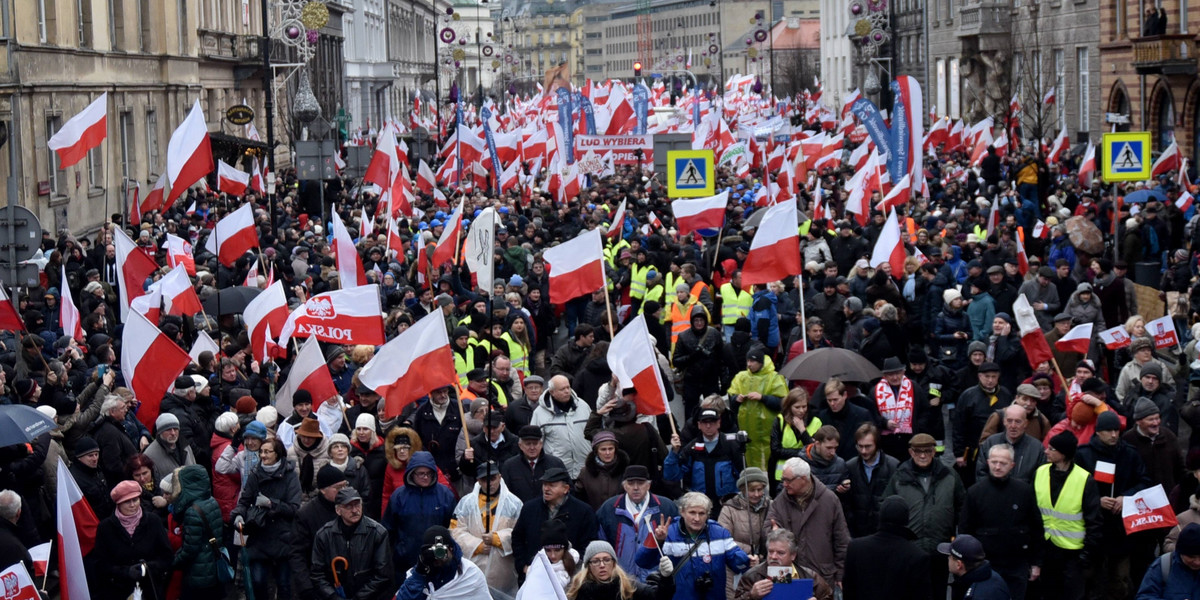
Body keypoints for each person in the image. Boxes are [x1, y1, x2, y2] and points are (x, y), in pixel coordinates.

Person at [882, 433, 965, 600]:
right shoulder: (899, 477)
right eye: (917, 451)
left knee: (938, 594)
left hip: (940, 550)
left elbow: (962, 509)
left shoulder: (949, 476)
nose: (922, 455)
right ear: (910, 452)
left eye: (927, 451)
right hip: (909, 552)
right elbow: (886, 512)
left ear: (934, 452)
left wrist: (958, 539)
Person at [961, 444, 1045, 600]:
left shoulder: (1024, 491)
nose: (997, 467)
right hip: (985, 565)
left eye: (1003, 463)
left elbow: (1036, 528)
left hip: (1016, 565)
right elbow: (966, 530)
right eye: (994, 462)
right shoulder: (975, 493)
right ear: (987, 462)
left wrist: (1036, 563)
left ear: (1012, 465)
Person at [639, 491, 754, 600]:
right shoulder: (668, 534)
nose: (697, 518)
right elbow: (643, 562)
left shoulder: (720, 533)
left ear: (708, 514)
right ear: (682, 512)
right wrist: (658, 541)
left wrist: (748, 561)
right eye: (692, 512)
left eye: (702, 513)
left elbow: (738, 564)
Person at [231, 437, 303, 600]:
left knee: (284, 584)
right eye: (261, 451)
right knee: (258, 582)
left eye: (267, 451)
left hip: (283, 537)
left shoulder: (290, 476)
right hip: (259, 536)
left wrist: (271, 504)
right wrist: (238, 515)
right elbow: (244, 501)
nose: (263, 455)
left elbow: (294, 508)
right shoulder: (255, 474)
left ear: (277, 454)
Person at [1036, 431, 1102, 600]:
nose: (1046, 451)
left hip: (1073, 554)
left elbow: (1094, 521)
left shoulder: (1084, 479)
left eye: (1051, 448)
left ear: (1063, 454)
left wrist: (1086, 555)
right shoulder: (1040, 473)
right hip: (1046, 549)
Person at [765, 457, 850, 587]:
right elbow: (766, 530)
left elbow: (841, 539)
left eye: (788, 480)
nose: (784, 484)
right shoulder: (779, 502)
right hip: (785, 575)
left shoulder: (829, 500)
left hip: (822, 576)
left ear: (804, 478)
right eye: (783, 480)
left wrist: (840, 573)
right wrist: (773, 534)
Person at [87, 480, 173, 600]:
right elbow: (100, 565)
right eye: (127, 501)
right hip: (119, 592)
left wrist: (147, 568)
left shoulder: (153, 521)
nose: (133, 505)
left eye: (135, 500)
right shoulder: (105, 528)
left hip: (150, 590)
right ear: (118, 504)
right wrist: (125, 572)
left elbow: (167, 557)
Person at [449, 461, 524, 596]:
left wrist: (497, 538)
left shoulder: (515, 503)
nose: (489, 483)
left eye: (493, 478)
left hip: (504, 575)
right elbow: (455, 531)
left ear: (500, 477)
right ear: (478, 480)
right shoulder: (465, 503)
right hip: (473, 569)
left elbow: (521, 532)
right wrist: (476, 545)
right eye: (484, 479)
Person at [382, 450, 458, 583]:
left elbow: (454, 530)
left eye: (429, 473)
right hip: (405, 563)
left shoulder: (446, 495)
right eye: (421, 473)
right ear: (412, 473)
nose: (426, 477)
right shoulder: (399, 496)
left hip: (438, 562)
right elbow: (388, 530)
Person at [597, 465, 680, 581]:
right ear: (624, 486)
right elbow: (601, 545)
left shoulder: (666, 507)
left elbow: (678, 543)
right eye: (630, 483)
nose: (636, 488)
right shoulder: (609, 508)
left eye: (640, 483)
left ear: (648, 485)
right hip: (621, 579)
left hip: (655, 578)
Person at [311, 487, 393, 600]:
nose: (355, 510)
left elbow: (383, 574)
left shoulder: (377, 533)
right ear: (338, 510)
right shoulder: (324, 535)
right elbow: (317, 574)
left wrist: (359, 598)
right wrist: (333, 596)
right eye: (348, 506)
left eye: (357, 504)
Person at [512, 466, 598, 571]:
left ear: (565, 489)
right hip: (534, 571)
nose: (546, 489)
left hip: (571, 574)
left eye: (552, 485)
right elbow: (517, 539)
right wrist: (523, 566)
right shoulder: (529, 508)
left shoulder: (583, 511)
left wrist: (572, 566)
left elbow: (589, 544)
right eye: (544, 484)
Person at [843, 496, 930, 600]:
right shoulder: (917, 556)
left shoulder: (856, 548)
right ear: (906, 520)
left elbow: (849, 590)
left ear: (880, 516)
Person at [665, 409, 743, 511]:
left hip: (727, 505)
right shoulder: (691, 449)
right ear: (699, 425)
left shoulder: (731, 446)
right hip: (699, 506)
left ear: (719, 423)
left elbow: (743, 476)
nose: (708, 426)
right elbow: (672, 476)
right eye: (705, 422)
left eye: (712, 422)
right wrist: (674, 452)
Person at [170, 465, 227, 600]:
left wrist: (172, 563)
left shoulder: (192, 512)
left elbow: (190, 550)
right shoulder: (211, 501)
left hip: (198, 576)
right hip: (213, 570)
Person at [291, 465, 346, 600]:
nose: (344, 491)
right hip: (318, 584)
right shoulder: (306, 514)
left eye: (345, 485)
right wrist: (306, 587)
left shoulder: (350, 508)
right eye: (338, 488)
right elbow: (297, 554)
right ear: (323, 490)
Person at [727, 347, 787, 472]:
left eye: (752, 361)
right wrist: (736, 399)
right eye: (747, 361)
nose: (749, 364)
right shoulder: (741, 377)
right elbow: (731, 399)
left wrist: (763, 398)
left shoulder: (774, 378)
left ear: (761, 362)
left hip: (768, 428)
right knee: (749, 454)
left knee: (769, 456)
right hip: (746, 427)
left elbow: (783, 402)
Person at [394, 526, 493, 600]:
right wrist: (418, 575)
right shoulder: (417, 574)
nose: (438, 558)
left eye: (441, 552)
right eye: (433, 552)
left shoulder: (469, 573)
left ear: (451, 549)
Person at [734, 528, 834, 600]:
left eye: (780, 553)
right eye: (770, 551)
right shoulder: (752, 576)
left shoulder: (811, 576)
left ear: (793, 555)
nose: (773, 557)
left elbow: (828, 597)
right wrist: (751, 596)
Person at [717, 468, 772, 598]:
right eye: (752, 490)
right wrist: (749, 552)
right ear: (742, 489)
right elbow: (723, 539)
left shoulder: (771, 505)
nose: (757, 494)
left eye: (760, 490)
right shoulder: (729, 509)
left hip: (765, 565)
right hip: (736, 567)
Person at [530, 375, 593, 479]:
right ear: (552, 392)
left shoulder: (583, 406)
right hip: (558, 472)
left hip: (585, 470)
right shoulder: (540, 413)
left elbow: (593, 432)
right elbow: (535, 443)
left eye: (568, 387)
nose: (567, 391)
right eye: (562, 389)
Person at [567, 540, 675, 600]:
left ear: (614, 563)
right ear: (588, 566)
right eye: (595, 561)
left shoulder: (629, 587)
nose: (602, 565)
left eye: (606, 560)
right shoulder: (577, 592)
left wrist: (666, 578)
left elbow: (660, 597)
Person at [844, 423, 900, 538]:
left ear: (877, 445)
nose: (863, 451)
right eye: (860, 446)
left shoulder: (893, 466)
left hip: (884, 532)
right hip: (858, 532)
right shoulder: (850, 466)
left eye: (868, 446)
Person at [976, 404, 1047, 484]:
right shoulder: (991, 442)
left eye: (1018, 421)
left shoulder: (1037, 448)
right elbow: (981, 473)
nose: (1013, 426)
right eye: (1009, 421)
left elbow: (1040, 478)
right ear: (1004, 421)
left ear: (1026, 423)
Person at [500, 425, 568, 502]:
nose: (532, 448)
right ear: (520, 445)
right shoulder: (509, 466)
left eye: (535, 443)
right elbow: (504, 494)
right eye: (528, 444)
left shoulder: (555, 464)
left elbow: (567, 490)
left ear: (541, 444)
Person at [1137, 523, 1200, 600]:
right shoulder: (1162, 565)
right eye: (1191, 557)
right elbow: (1145, 597)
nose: (1198, 562)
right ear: (1180, 552)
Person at [938, 534, 1010, 600]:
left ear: (958, 564)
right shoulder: (992, 576)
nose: (948, 558)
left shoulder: (977, 596)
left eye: (950, 556)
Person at [143, 413, 197, 483]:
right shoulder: (150, 455)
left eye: (175, 429)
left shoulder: (185, 445)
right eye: (168, 430)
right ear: (160, 432)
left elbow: (195, 469)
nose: (173, 433)